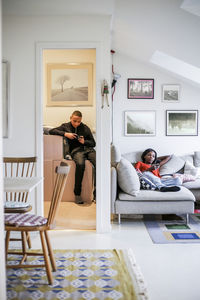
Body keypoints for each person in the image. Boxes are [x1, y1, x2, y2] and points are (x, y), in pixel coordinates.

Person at [49, 110, 96, 204]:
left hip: (89, 150)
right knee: (80, 164)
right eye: (74, 121)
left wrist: (84, 142)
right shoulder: (65, 126)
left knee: (99, 164)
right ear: (71, 118)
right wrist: (66, 134)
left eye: (79, 121)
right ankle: (77, 194)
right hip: (76, 151)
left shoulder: (85, 127)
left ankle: (97, 194)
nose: (77, 124)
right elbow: (51, 131)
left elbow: (93, 143)